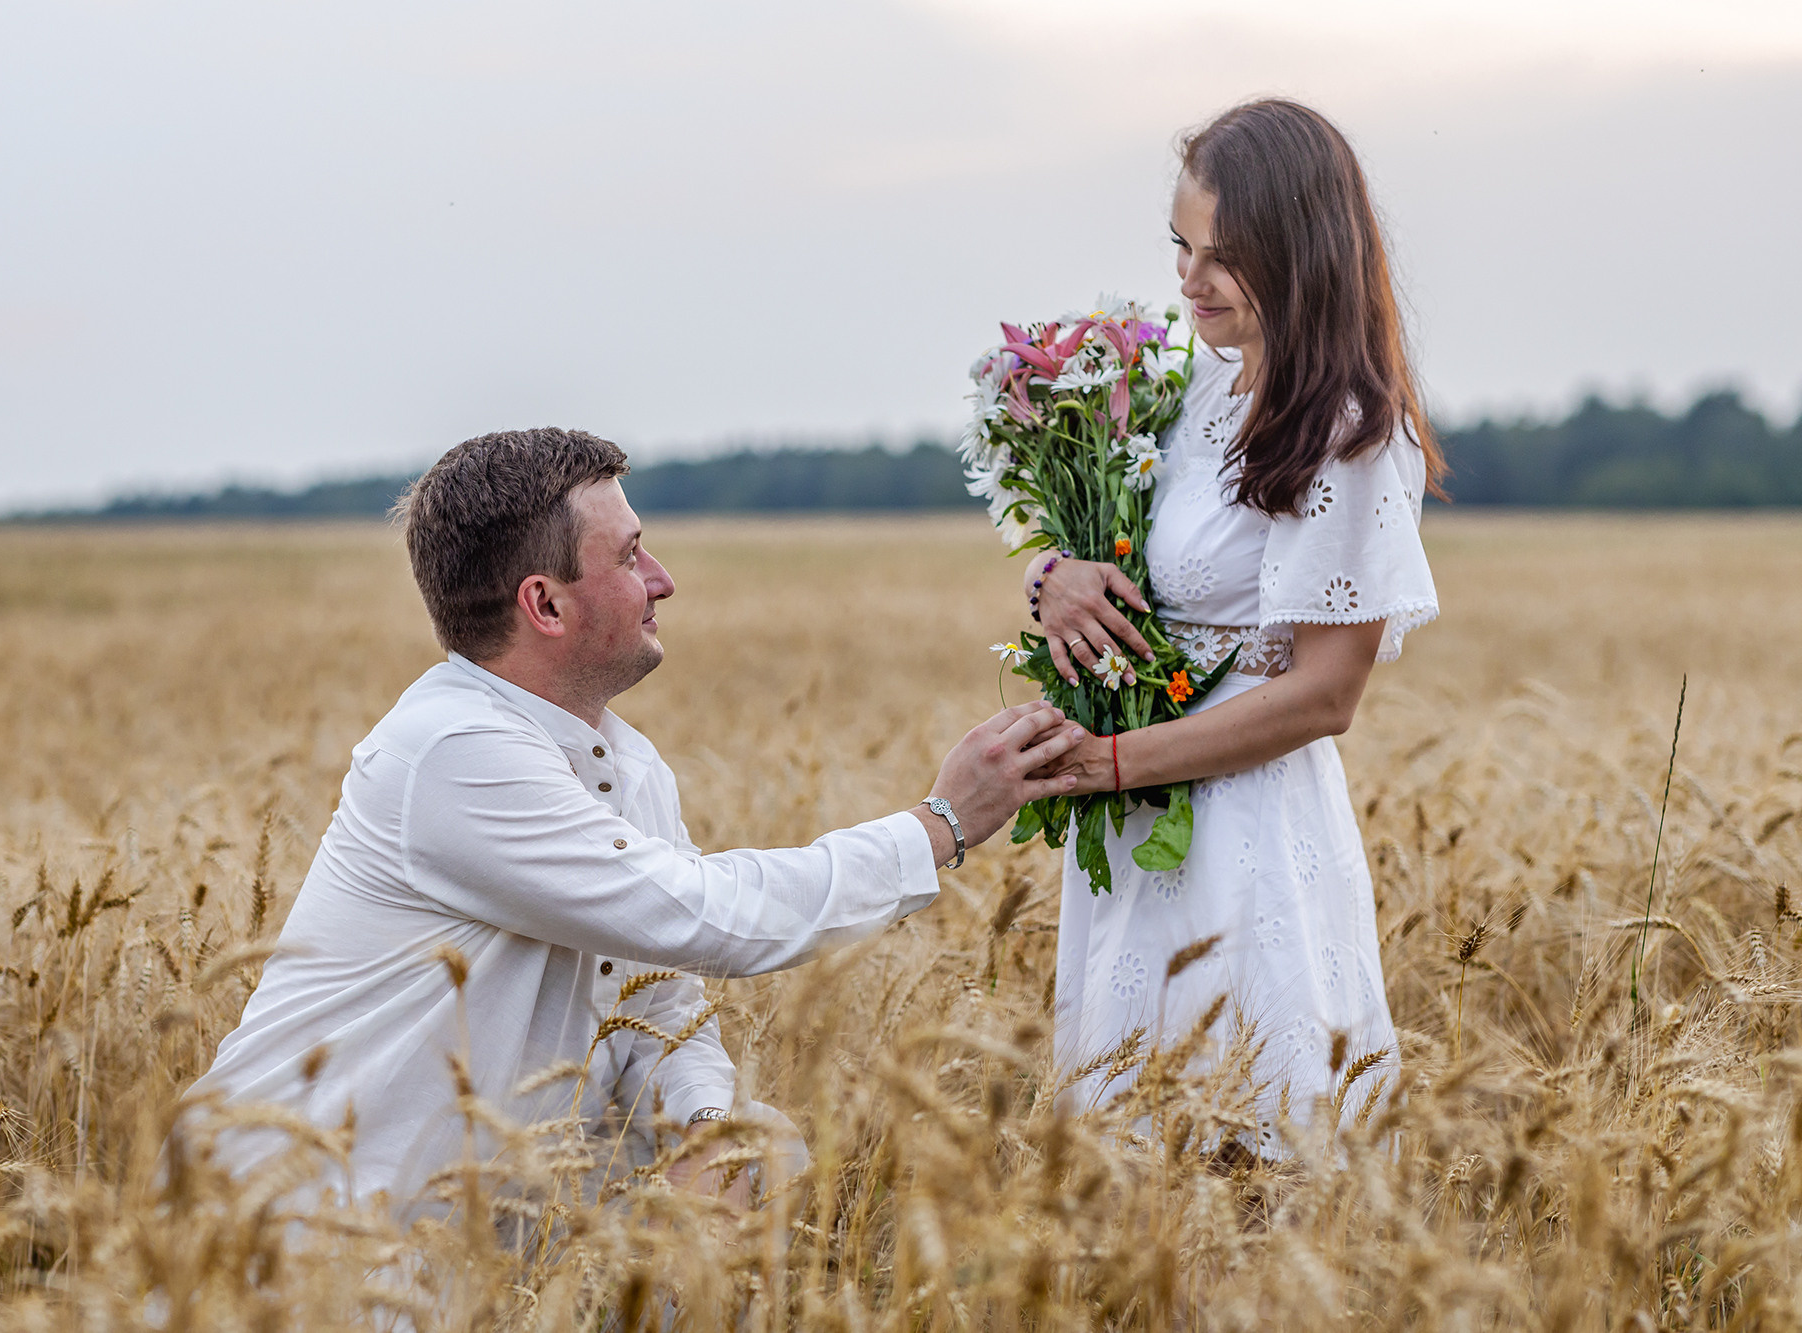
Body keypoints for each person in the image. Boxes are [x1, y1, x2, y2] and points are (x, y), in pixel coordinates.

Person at [184, 427, 1083, 1216]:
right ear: (545, 603)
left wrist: (703, 1123)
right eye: (631, 555)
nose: (665, 580)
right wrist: (940, 825)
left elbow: (660, 996)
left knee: (756, 1147)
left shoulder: (623, 758)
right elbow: (703, 916)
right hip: (306, 1236)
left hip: (492, 1242)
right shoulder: (451, 750)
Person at [1026, 100, 1444, 1153]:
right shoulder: (1190, 390)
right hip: (1136, 827)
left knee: (1244, 1159)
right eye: (1180, 245)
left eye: (1223, 255)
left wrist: (1112, 760)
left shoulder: (1344, 430)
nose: (1188, 278)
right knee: (1123, 1175)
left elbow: (1322, 694)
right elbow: (1120, 555)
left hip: (1245, 833)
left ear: (1298, 251)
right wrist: (1051, 577)